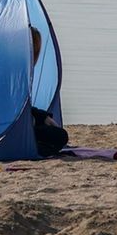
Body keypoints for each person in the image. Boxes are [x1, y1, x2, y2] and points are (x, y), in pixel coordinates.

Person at [29, 26, 69, 157]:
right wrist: (39, 118)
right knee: (60, 136)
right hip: (11, 128)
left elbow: (23, 107)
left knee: (57, 134)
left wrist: (42, 117)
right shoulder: (15, 75)